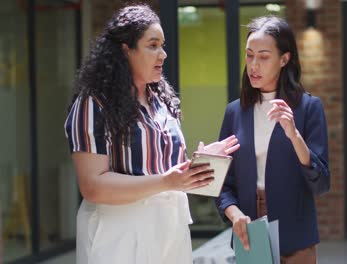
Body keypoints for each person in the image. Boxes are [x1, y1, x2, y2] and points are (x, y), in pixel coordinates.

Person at [64, 5, 239, 264]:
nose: (163, 54)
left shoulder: (162, 100)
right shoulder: (94, 103)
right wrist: (167, 182)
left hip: (171, 227)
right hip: (118, 233)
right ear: (125, 50)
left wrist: (199, 164)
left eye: (163, 45)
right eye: (153, 45)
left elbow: (167, 173)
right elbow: (92, 187)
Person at [215, 16, 330, 263]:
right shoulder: (235, 112)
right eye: (249, 55)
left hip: (295, 234)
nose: (254, 65)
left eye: (264, 57)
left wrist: (294, 135)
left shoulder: (308, 108)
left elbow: (320, 184)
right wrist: (235, 216)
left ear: (284, 59)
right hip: (250, 233)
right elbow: (222, 184)